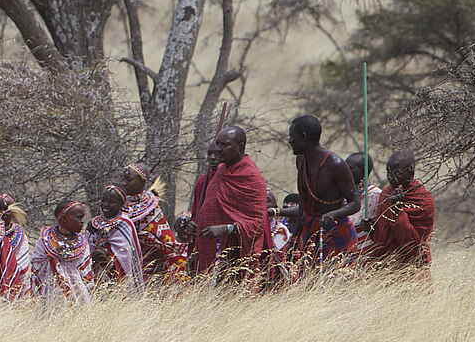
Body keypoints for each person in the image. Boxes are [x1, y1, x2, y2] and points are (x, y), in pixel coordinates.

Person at [187, 125, 271, 284]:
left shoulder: (251, 177)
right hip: (208, 248)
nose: (218, 150)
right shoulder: (219, 171)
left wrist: (226, 228)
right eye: (217, 144)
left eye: (224, 145)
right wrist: (194, 224)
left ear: (240, 146)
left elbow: (257, 223)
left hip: (234, 251)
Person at [289, 114, 360, 264]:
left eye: (292, 136)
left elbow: (355, 203)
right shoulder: (301, 160)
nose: (290, 141)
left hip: (336, 233)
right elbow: (304, 202)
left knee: (337, 282)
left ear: (304, 136)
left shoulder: (335, 165)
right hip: (310, 231)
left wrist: (333, 214)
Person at [367, 151, 435, 273]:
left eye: (397, 172)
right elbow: (381, 235)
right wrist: (372, 229)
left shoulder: (423, 198)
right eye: (388, 172)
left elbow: (414, 243)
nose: (391, 177)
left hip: (413, 265)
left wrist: (397, 209)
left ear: (410, 170)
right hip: (385, 264)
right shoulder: (386, 193)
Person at [118, 163, 186, 283]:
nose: (123, 183)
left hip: (151, 266)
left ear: (142, 181)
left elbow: (166, 242)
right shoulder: (117, 203)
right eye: (122, 179)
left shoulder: (151, 208)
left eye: (128, 179)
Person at [33, 199, 96, 305]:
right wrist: (52, 262)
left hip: (79, 294)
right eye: (79, 217)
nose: (82, 221)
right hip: (52, 292)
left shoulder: (82, 242)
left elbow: (86, 271)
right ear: (64, 219)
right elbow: (36, 264)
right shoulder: (45, 239)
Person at [88, 185, 145, 292]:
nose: (106, 205)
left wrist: (107, 255)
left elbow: (128, 255)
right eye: (104, 201)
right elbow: (86, 249)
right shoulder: (93, 223)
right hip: (96, 273)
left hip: (118, 274)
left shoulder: (125, 223)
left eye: (111, 202)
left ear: (121, 204)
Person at [347, 152, 382, 237]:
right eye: (345, 167)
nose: (346, 171)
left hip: (365, 246)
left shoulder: (375, 195)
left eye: (350, 168)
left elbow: (381, 227)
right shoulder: (342, 193)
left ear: (363, 172)